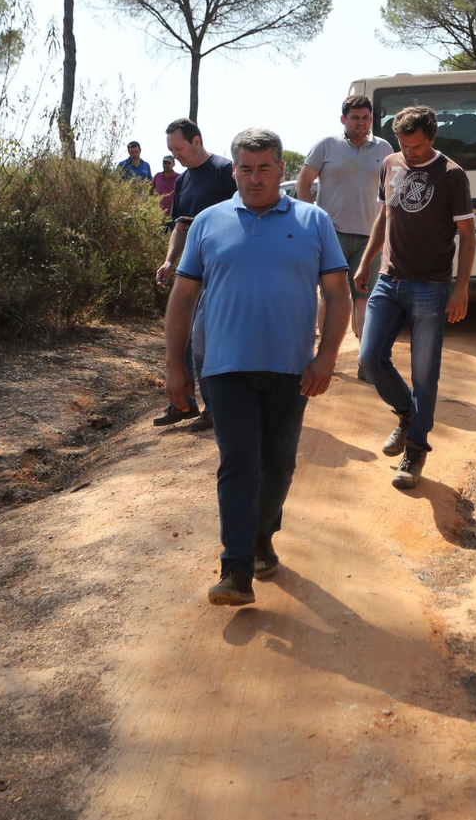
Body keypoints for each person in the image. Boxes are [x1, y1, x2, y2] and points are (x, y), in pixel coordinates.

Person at [165, 127, 352, 606]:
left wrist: (326, 357)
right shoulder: (208, 222)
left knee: (279, 464)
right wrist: (175, 366)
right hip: (224, 366)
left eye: (264, 167)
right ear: (233, 171)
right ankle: (236, 568)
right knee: (239, 463)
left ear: (280, 169)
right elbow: (183, 297)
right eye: (245, 168)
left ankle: (263, 535)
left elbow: (336, 293)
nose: (254, 177)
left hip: (292, 367)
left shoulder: (313, 221)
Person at [355, 105, 476, 491]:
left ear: (432, 138)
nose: (411, 154)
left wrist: (461, 288)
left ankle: (416, 450)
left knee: (425, 376)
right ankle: (407, 415)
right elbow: (384, 217)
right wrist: (365, 262)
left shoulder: (453, 175)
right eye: (405, 147)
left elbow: (468, 236)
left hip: (431, 286)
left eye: (418, 148)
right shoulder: (389, 163)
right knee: (369, 358)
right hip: (389, 281)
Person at [296, 94, 396, 360]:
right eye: (355, 118)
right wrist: (313, 219)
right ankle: (324, 356)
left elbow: (394, 191)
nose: (361, 123)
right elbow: (303, 184)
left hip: (370, 238)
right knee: (330, 297)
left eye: (365, 118)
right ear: (344, 119)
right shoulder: (326, 145)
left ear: (371, 119)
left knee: (364, 299)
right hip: (332, 236)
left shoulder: (385, 148)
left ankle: (367, 361)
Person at [154, 118, 237, 429]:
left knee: (203, 339)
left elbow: (243, 216)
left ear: (196, 140)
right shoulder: (182, 180)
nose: (176, 155)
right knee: (182, 337)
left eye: (179, 148)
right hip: (191, 270)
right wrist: (169, 261)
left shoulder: (224, 171)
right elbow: (180, 224)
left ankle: (215, 408)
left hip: (221, 271)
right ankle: (183, 404)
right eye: (171, 151)